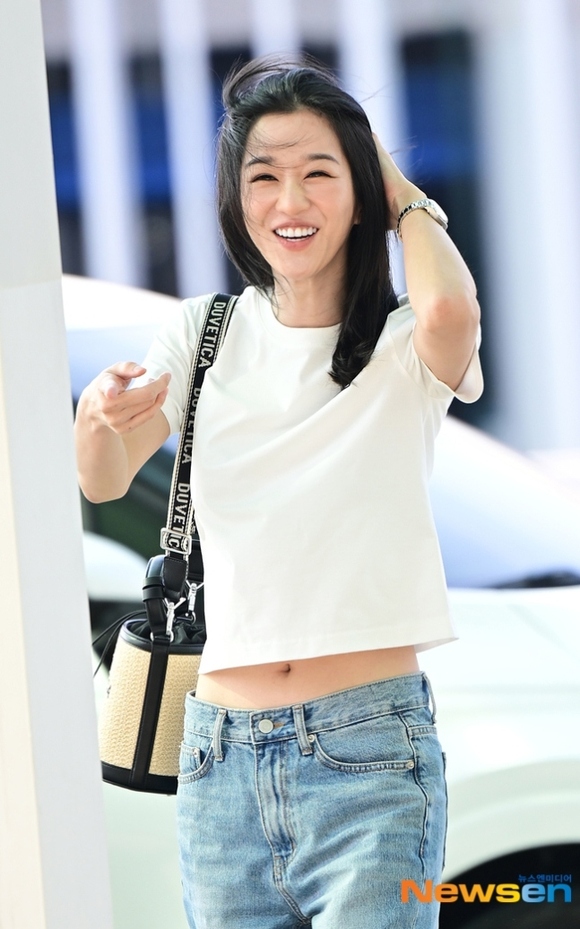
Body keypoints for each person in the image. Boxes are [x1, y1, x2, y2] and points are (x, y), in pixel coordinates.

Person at [75, 55, 482, 929]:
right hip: (218, 759)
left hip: (370, 751)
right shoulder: (203, 331)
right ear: (236, 198)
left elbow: (453, 311)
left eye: (319, 173)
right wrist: (96, 414)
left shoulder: (407, 344)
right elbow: (103, 479)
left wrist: (394, 183)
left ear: (365, 192)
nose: (289, 201)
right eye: (264, 176)